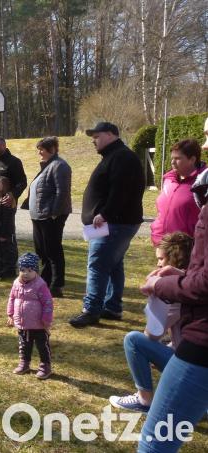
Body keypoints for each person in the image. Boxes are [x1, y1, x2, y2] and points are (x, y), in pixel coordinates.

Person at [137, 144, 208, 452]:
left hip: (202, 343)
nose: (205, 145)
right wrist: (183, 275)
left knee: (155, 444)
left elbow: (204, 284)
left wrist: (162, 286)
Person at [69, 122, 145, 328]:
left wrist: (105, 213)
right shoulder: (114, 156)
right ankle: (112, 307)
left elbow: (121, 190)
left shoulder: (122, 157)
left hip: (114, 223)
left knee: (97, 265)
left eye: (97, 136)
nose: (93, 141)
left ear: (111, 134)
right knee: (113, 265)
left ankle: (91, 310)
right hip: (114, 223)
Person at [109, 232, 193, 413]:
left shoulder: (174, 290)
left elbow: (153, 333)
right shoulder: (195, 283)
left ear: (174, 259)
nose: (158, 264)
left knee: (133, 340)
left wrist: (154, 297)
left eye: (161, 259)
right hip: (198, 362)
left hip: (192, 366)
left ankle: (143, 400)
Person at [26, 137, 72, 298]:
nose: (39, 152)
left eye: (42, 149)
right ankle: (44, 281)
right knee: (42, 251)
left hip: (50, 217)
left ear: (51, 149)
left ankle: (56, 285)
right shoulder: (48, 165)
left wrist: (54, 213)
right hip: (39, 216)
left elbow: (62, 192)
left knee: (53, 251)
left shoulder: (60, 165)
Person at [150, 139, 206, 246]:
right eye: (172, 158)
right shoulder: (168, 179)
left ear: (192, 159)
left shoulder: (203, 183)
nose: (172, 162)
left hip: (186, 247)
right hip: (161, 243)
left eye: (178, 158)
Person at [7, 253, 54, 379]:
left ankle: (45, 365)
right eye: (22, 270)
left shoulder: (40, 285)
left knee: (42, 345)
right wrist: (10, 314)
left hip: (39, 324)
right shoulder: (16, 283)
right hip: (23, 323)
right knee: (24, 345)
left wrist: (46, 319)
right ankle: (24, 362)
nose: (25, 273)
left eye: (29, 270)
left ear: (36, 271)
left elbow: (48, 302)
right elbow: (12, 298)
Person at [0, 136, 27, 208]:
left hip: (6, 204)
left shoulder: (14, 161)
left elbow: (22, 182)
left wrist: (12, 194)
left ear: (3, 146)